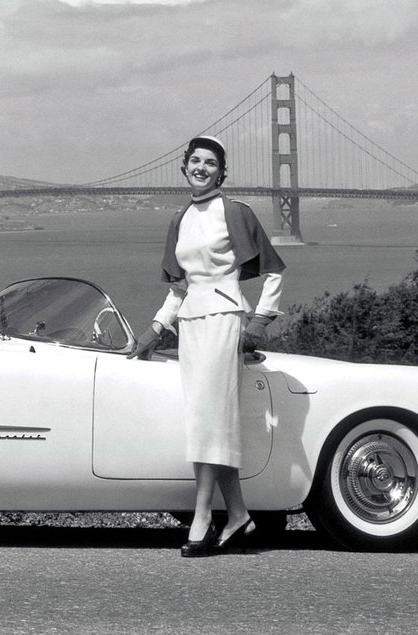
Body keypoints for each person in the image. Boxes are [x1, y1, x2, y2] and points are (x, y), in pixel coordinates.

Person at [129, 135, 285, 557]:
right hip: (191, 325)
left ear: (221, 171)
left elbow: (273, 272)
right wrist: (153, 331)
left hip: (224, 319)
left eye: (210, 162)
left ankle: (201, 515)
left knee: (207, 418)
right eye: (195, 161)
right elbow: (180, 289)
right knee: (207, 418)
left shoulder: (235, 212)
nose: (201, 167)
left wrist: (259, 322)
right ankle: (238, 516)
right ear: (184, 168)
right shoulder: (180, 218)